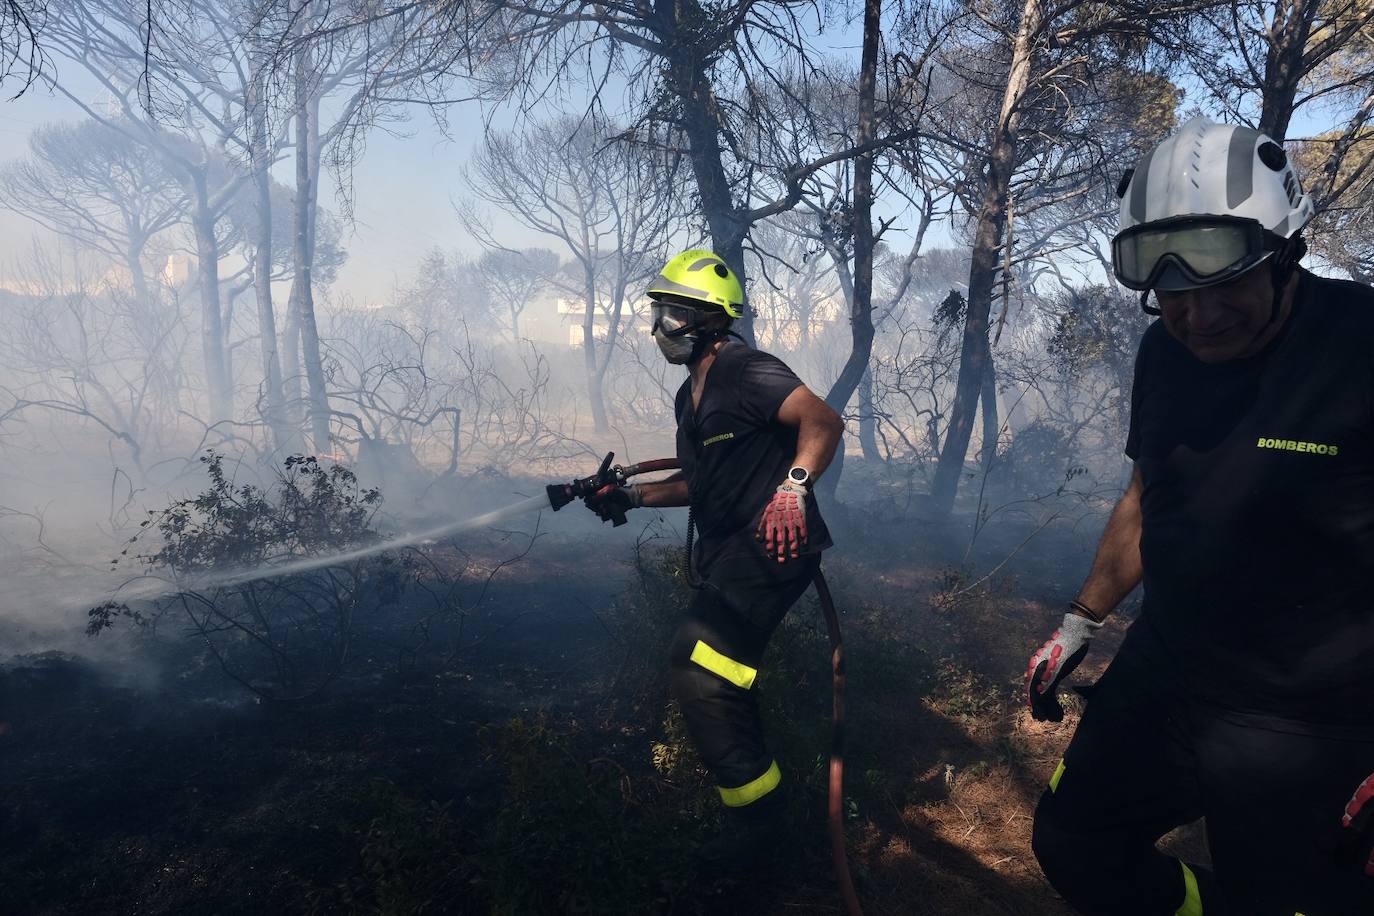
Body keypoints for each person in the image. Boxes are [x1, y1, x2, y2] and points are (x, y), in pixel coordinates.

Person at [1025, 115, 1374, 915]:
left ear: (1287, 256)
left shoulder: (1360, 344)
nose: (1198, 318)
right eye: (1173, 296)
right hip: (1170, 676)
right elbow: (1149, 497)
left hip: (1315, 721)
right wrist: (1081, 620)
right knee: (1075, 841)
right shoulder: (1165, 356)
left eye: (1225, 288)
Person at [584, 249, 844, 877]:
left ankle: (762, 825)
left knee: (699, 668)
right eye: (659, 313)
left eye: (672, 313)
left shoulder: (747, 370)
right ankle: (759, 800)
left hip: (772, 550)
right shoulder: (688, 397)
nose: (660, 328)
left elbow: (823, 421)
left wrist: (795, 485)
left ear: (706, 318)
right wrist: (633, 495)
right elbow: (701, 483)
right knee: (711, 673)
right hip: (732, 556)